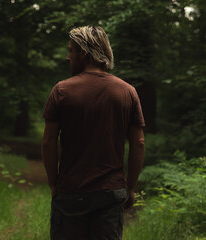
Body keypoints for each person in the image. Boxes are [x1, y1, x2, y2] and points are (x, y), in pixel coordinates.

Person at [41, 26, 145, 240]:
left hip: (71, 191)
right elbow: (139, 144)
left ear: (84, 54)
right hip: (111, 192)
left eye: (71, 51)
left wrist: (54, 184)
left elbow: (48, 143)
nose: (68, 57)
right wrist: (131, 188)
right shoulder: (128, 92)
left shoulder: (61, 91)